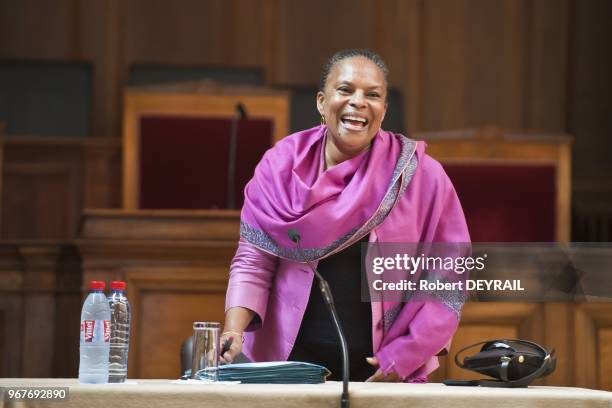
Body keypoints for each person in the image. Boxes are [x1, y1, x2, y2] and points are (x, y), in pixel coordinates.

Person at [221, 49, 470, 382]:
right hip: (289, 364)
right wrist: (234, 331)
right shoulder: (279, 166)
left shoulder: (419, 175)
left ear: (384, 110)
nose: (358, 102)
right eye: (345, 90)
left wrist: (403, 357)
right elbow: (254, 260)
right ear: (322, 102)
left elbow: (448, 276)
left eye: (373, 95)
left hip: (378, 368)